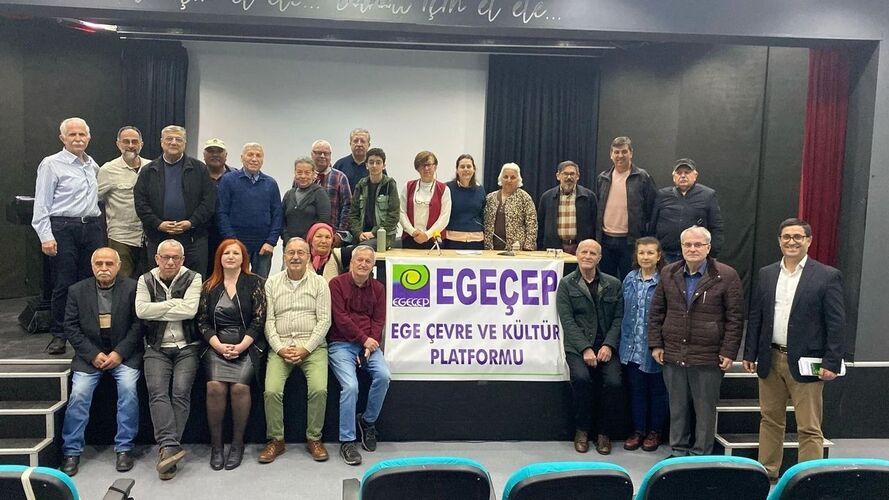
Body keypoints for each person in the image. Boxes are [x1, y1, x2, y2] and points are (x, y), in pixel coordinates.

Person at [743, 218, 845, 482]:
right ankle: (767, 473)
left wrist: (832, 362)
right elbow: (756, 315)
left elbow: (836, 323)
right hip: (770, 357)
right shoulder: (766, 274)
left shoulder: (827, 276)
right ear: (779, 241)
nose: (791, 241)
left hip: (808, 363)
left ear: (809, 240)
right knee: (770, 420)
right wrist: (750, 353)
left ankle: (808, 478)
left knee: (809, 427)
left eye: (798, 237)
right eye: (786, 237)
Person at [648, 226, 744, 456]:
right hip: (673, 352)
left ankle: (701, 455)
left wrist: (729, 351)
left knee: (705, 410)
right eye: (688, 244)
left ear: (708, 248)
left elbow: (735, 317)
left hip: (708, 356)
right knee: (677, 407)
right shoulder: (668, 273)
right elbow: (657, 311)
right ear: (681, 247)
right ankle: (678, 451)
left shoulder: (726, 275)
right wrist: (656, 344)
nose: (692, 249)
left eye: (698, 244)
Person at [58, 248, 142, 477]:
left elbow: (139, 325)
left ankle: (124, 448)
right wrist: (93, 354)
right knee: (79, 394)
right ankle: (71, 451)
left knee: (128, 389)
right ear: (92, 265)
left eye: (109, 264)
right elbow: (70, 327)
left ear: (118, 266)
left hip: (124, 354)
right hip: (90, 356)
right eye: (99, 263)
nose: (104, 268)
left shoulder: (133, 288)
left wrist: (119, 353)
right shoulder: (77, 290)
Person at [32, 117, 104, 355]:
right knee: (64, 284)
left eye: (82, 134)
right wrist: (45, 236)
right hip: (63, 228)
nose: (78, 139)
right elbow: (41, 204)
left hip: (91, 228)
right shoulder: (51, 164)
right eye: (72, 135)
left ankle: (86, 332)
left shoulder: (93, 166)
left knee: (90, 283)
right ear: (62, 138)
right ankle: (60, 335)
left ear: (89, 138)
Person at [135, 239, 203, 480]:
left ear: (183, 259)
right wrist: (175, 303)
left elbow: (190, 311)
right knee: (157, 392)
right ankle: (170, 447)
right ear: (157, 258)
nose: (171, 261)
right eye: (166, 257)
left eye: (176, 257)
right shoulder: (145, 279)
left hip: (187, 346)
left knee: (181, 391)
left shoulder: (194, 278)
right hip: (156, 347)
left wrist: (159, 308)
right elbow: (141, 311)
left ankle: (167, 449)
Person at [261, 237, 332, 463]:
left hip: (313, 347)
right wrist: (280, 348)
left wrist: (306, 348)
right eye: (291, 252)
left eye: (301, 253)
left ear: (308, 256)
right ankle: (276, 440)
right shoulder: (271, 283)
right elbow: (268, 321)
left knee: (319, 390)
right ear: (284, 256)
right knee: (271, 391)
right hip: (281, 346)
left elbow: (324, 320)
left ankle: (314, 438)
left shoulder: (320, 283)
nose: (295, 257)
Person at [198, 238, 267, 471]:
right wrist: (218, 345)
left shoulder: (255, 282)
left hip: (247, 345)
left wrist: (241, 346)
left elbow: (259, 320)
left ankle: (237, 444)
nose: (230, 257)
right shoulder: (209, 285)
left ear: (243, 258)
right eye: (226, 253)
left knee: (239, 388)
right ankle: (216, 446)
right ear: (219, 258)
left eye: (235, 253)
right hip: (216, 345)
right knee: (214, 387)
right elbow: (202, 321)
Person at [556, 239, 624, 455]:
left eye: (592, 253)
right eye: (583, 252)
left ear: (599, 258)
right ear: (576, 255)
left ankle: (604, 433)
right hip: (578, 347)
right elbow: (567, 320)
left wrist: (609, 345)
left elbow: (618, 318)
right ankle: (582, 430)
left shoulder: (614, 284)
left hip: (606, 346)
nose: (587, 256)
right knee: (582, 379)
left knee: (614, 383)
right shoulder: (566, 284)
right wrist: (585, 348)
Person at [328, 245, 390, 465]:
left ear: (373, 266)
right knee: (351, 386)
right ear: (351, 263)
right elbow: (340, 318)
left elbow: (379, 320)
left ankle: (367, 421)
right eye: (359, 260)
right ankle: (347, 441)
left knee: (384, 376)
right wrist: (363, 340)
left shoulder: (379, 288)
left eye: (368, 261)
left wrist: (370, 345)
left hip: (369, 345)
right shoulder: (336, 284)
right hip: (341, 344)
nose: (363, 264)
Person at [134, 125, 216, 280]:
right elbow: (140, 203)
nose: (173, 142)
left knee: (194, 282)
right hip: (158, 237)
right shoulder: (148, 171)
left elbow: (209, 201)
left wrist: (191, 222)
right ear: (161, 142)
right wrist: (158, 223)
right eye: (169, 139)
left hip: (193, 239)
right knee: (158, 282)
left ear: (185, 143)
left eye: (178, 139)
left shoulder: (200, 169)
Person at [619, 237, 668, 452]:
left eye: (650, 253)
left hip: (655, 347)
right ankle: (638, 430)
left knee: (657, 391)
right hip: (631, 346)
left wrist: (662, 343)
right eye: (641, 253)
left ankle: (655, 432)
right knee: (636, 390)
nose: (645, 257)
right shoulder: (629, 279)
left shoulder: (666, 280)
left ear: (658, 256)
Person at [216, 142, 283, 278]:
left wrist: (271, 242)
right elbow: (221, 212)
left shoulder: (270, 183)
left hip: (263, 247)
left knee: (260, 284)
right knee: (235, 281)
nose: (254, 159)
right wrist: (232, 241)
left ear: (262, 160)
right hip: (236, 245)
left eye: (258, 155)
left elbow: (277, 215)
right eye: (250, 155)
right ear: (242, 157)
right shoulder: (228, 180)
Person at [595, 136, 657, 279]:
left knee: (629, 281)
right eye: (616, 152)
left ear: (631, 153)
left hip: (630, 241)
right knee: (606, 282)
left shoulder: (642, 177)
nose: (620, 155)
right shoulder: (603, 178)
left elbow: (651, 209)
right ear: (611, 154)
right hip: (605, 240)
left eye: (624, 152)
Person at [98, 126, 150, 279]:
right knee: (123, 282)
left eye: (135, 141)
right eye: (126, 141)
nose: (130, 145)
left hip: (148, 236)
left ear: (141, 144)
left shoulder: (152, 167)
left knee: (147, 282)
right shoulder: (108, 170)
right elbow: (95, 199)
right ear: (118, 144)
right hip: (121, 236)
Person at [651, 158, 725, 263]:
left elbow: (716, 227)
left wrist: (713, 253)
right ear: (673, 176)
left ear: (695, 175)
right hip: (666, 254)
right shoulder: (662, 195)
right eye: (679, 173)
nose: (683, 176)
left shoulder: (708, 195)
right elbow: (652, 224)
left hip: (694, 254)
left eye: (687, 172)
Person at [537, 160, 597, 254]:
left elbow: (595, 225)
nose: (569, 177)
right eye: (565, 174)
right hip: (553, 249)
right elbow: (540, 226)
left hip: (581, 250)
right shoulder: (547, 197)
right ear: (558, 176)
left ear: (578, 176)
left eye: (572, 174)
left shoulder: (589, 197)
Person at [348, 148, 399, 250]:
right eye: (371, 162)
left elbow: (394, 215)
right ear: (366, 165)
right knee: (349, 248)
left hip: (384, 235)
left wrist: (373, 233)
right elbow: (353, 214)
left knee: (361, 249)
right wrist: (358, 233)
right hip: (362, 235)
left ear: (384, 166)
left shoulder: (389, 185)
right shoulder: (361, 185)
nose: (374, 165)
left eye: (378, 162)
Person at [399, 150, 451, 249]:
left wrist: (427, 235)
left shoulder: (444, 189)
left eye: (429, 165)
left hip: (433, 239)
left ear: (435, 166)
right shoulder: (408, 186)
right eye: (422, 165)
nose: (426, 168)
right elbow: (401, 212)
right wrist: (413, 231)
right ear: (417, 168)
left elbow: (444, 217)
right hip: (411, 238)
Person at [483, 163, 537, 251]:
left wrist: (528, 247)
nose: (509, 180)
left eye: (512, 177)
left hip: (516, 249)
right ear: (501, 178)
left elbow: (532, 224)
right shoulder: (490, 198)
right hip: (491, 248)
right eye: (505, 177)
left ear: (518, 180)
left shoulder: (525, 198)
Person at [203, 138, 235, 275]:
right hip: (202, 235)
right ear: (204, 155)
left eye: (219, 151)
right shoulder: (195, 175)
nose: (215, 154)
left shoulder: (236, 177)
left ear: (226, 155)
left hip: (230, 234)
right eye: (211, 151)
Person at [281, 157, 331, 243]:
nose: (303, 176)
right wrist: (287, 239)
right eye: (299, 172)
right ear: (295, 173)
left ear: (313, 174)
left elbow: (323, 220)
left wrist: (304, 240)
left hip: (310, 244)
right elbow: (281, 220)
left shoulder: (320, 193)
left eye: (307, 173)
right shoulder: (289, 195)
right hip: (289, 245)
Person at [443, 154, 486, 250]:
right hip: (452, 239)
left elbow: (483, 214)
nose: (466, 169)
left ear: (474, 169)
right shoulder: (447, 188)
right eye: (462, 167)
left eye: (469, 166)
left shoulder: (480, 189)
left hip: (476, 239)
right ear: (457, 170)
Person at [312, 139, 352, 233]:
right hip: (306, 233)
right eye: (319, 153)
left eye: (326, 153)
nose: (322, 156)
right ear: (312, 154)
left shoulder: (340, 177)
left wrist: (340, 233)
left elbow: (348, 206)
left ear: (330, 156)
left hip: (332, 233)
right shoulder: (304, 178)